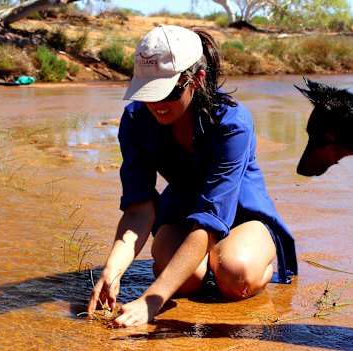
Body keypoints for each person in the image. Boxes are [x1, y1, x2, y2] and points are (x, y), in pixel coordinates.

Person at [87, 25, 297, 327]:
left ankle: (252, 253)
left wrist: (152, 299)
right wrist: (113, 269)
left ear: (196, 79)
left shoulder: (233, 123)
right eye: (148, 92)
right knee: (186, 283)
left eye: (168, 91)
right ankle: (202, 263)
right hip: (184, 205)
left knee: (235, 276)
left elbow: (211, 217)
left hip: (239, 207)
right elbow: (139, 207)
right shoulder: (135, 119)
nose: (157, 104)